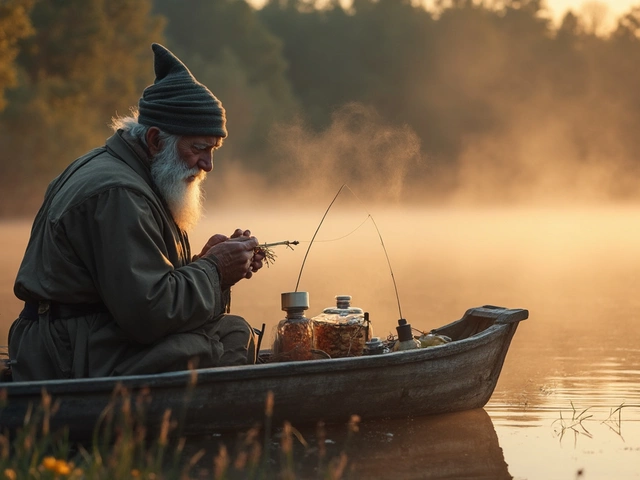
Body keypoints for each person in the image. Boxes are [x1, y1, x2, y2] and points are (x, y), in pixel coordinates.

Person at [7, 43, 266, 381]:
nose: (208, 164)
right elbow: (148, 316)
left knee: (229, 330)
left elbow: (132, 287)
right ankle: (193, 433)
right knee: (226, 340)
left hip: (79, 339)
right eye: (199, 148)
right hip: (68, 353)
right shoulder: (119, 193)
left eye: (213, 149)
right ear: (156, 140)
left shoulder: (125, 172)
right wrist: (215, 271)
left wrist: (204, 260)